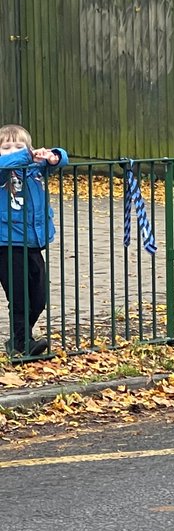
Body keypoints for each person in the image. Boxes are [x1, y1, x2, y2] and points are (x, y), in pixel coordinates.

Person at [0, 125, 68, 358]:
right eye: (6, 147)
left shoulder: (33, 170)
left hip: (32, 242)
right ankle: (22, 344)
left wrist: (52, 156)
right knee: (19, 296)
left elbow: (60, 161)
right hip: (7, 243)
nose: (13, 150)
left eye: (19, 146)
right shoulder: (3, 170)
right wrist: (25, 155)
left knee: (38, 297)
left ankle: (20, 337)